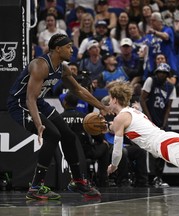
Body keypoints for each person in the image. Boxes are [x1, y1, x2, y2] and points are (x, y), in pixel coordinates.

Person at [7, 34, 110, 200]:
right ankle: (35, 187)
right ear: (57, 48)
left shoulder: (63, 68)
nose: (72, 50)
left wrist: (102, 106)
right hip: (20, 104)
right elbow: (29, 98)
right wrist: (39, 123)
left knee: (68, 136)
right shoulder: (40, 65)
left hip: (38, 102)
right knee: (53, 134)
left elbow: (78, 90)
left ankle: (78, 181)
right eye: (68, 46)